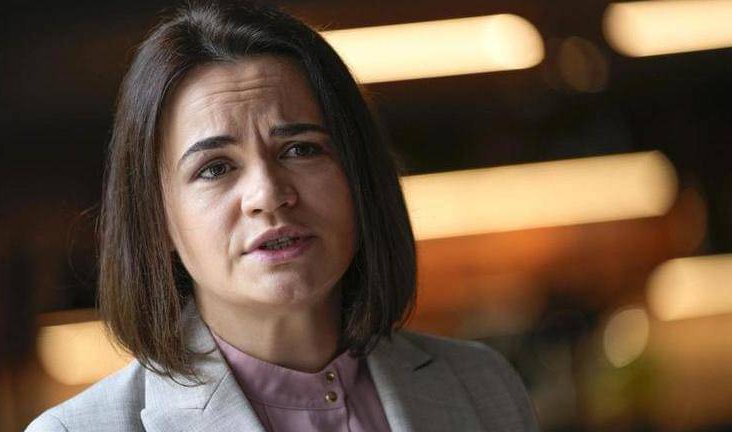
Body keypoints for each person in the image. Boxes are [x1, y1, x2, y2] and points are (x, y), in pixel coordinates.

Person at [27, 1, 539, 431]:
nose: (268, 195)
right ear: (156, 219)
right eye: (215, 168)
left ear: (358, 175)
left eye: (300, 149)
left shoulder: (482, 387)